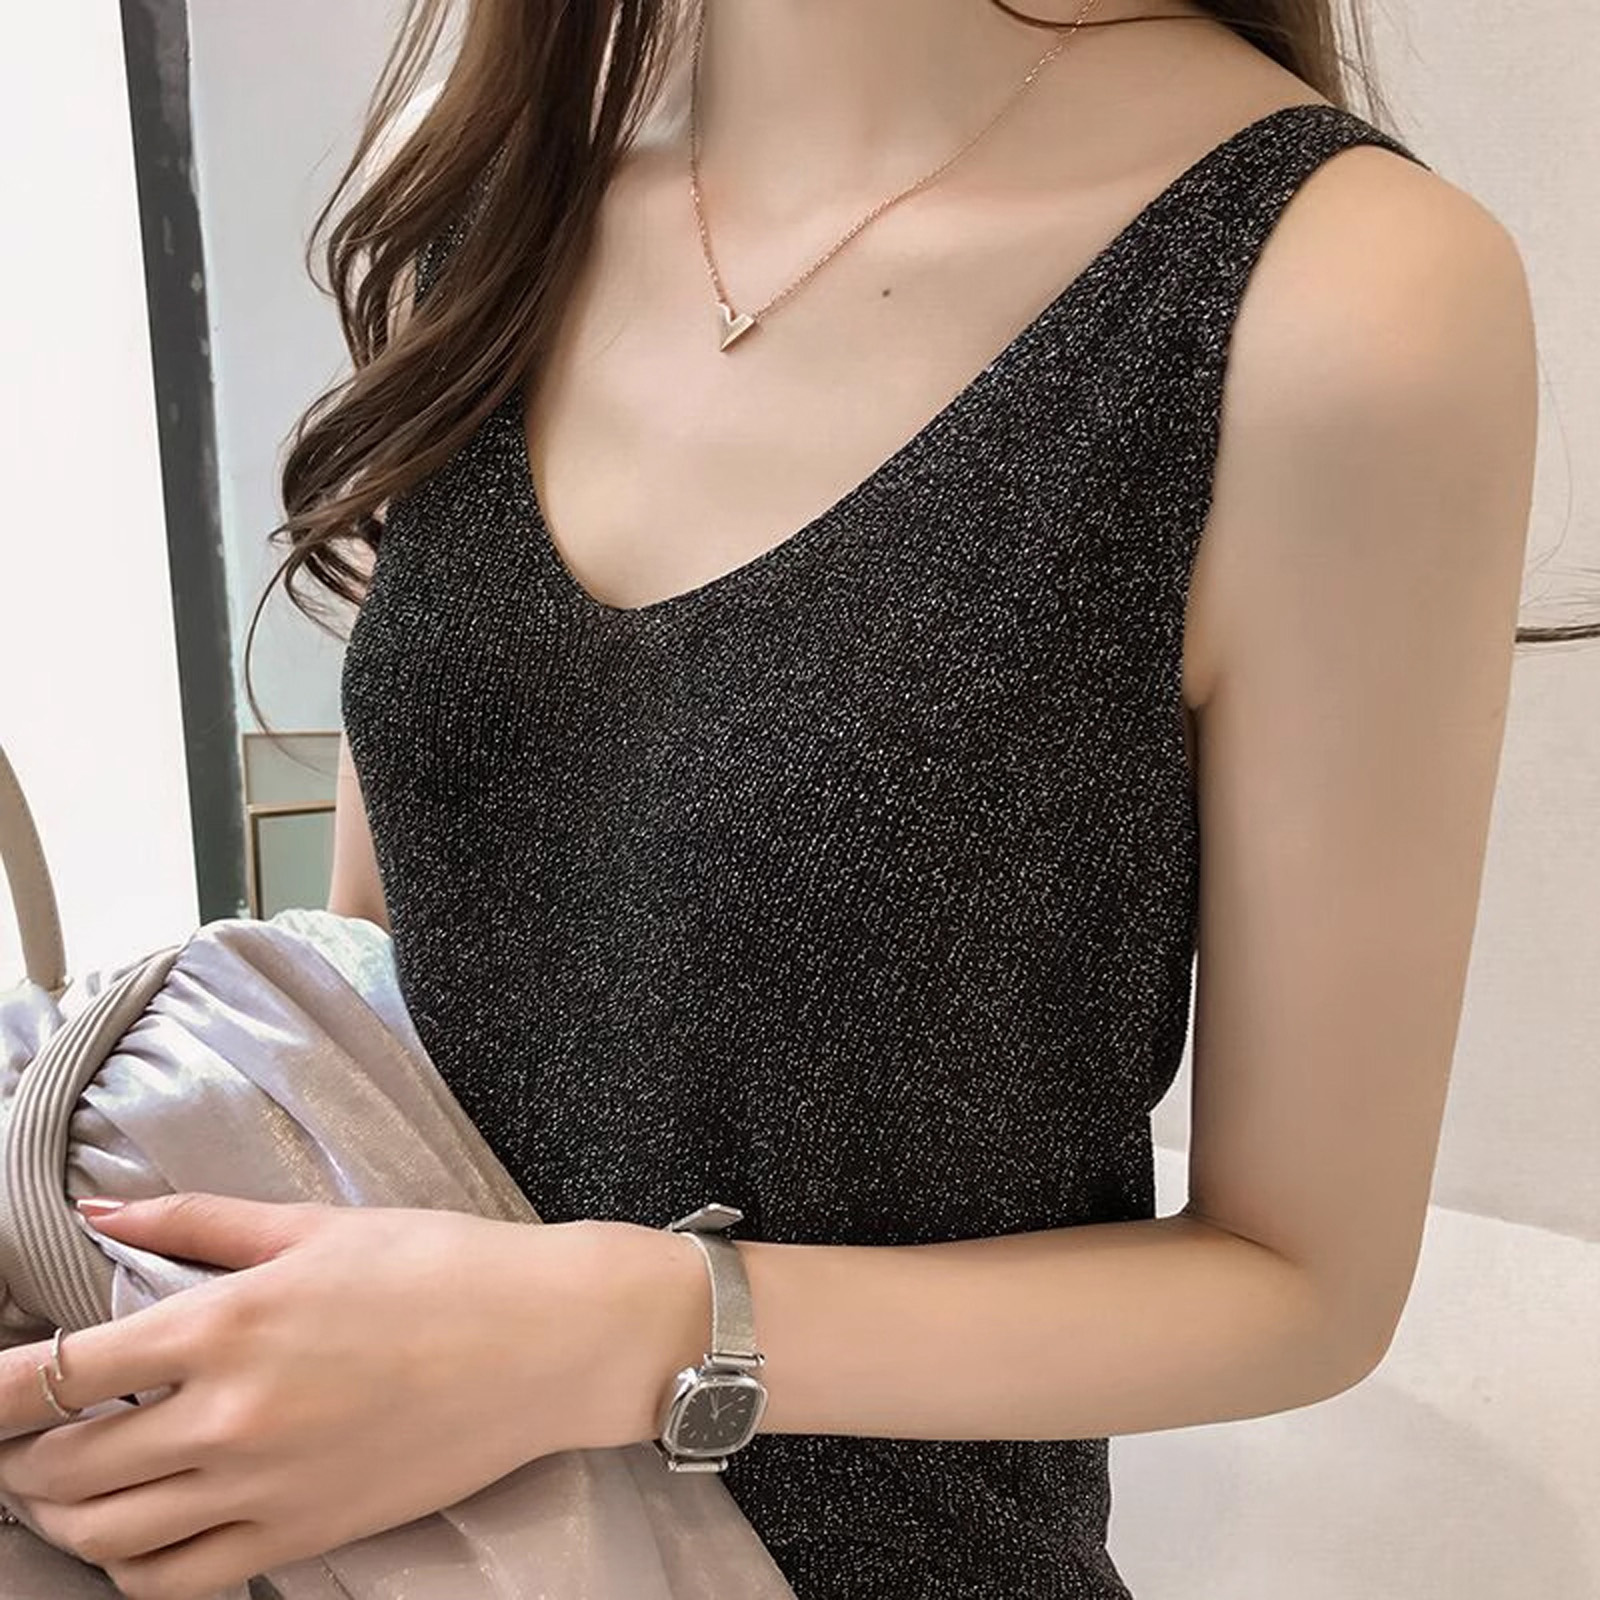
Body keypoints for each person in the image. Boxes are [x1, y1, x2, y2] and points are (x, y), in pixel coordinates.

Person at [0, 3, 1541, 1598]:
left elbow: (1301, 1282)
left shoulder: (1341, 304)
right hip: (336, 1541)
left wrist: (624, 1331)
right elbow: (383, 1000)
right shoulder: (494, 199)